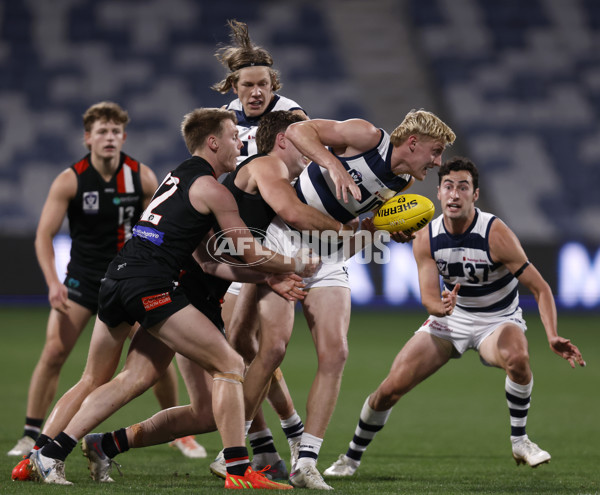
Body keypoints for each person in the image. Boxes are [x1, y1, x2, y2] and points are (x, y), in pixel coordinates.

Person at [26, 107, 318, 489]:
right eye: (233, 137)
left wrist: (269, 275)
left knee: (130, 378)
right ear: (212, 142)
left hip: (119, 276)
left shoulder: (175, 177)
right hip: (157, 286)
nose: (239, 143)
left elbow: (209, 261)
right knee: (230, 364)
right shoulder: (217, 189)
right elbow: (245, 251)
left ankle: (51, 452)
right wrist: (295, 262)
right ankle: (238, 469)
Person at [323, 157, 586, 478]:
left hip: (497, 320)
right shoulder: (426, 235)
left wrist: (552, 335)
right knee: (389, 389)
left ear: (475, 195)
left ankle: (520, 440)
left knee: (518, 358)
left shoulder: (495, 234)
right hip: (451, 320)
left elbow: (541, 288)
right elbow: (428, 298)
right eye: (448, 186)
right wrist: (441, 308)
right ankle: (350, 459)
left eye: (463, 187)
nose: (455, 194)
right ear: (438, 193)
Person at [239, 109, 457, 490]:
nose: (437, 162)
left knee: (336, 352)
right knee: (272, 348)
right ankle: (232, 451)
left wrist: (381, 230)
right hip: (283, 238)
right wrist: (332, 165)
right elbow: (298, 130)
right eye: (435, 151)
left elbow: (358, 229)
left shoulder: (402, 181)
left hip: (328, 253)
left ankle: (306, 462)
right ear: (413, 143)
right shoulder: (367, 136)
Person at [7, 101, 204, 460]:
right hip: (82, 282)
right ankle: (31, 434)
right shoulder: (71, 179)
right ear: (88, 138)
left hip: (128, 281)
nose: (109, 137)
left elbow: (159, 224)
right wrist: (53, 282)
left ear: (123, 136)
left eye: (115, 132)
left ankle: (180, 435)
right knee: (54, 353)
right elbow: (43, 236)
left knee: (152, 359)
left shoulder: (141, 176)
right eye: (102, 131)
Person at [210, 19, 309, 480]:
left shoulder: (292, 116)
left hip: (283, 234)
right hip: (242, 239)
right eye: (247, 85)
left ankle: (258, 443)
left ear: (274, 85)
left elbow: (314, 166)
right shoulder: (223, 122)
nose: (255, 93)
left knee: (263, 347)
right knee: (243, 346)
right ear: (234, 86)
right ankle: (274, 438)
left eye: (262, 84)